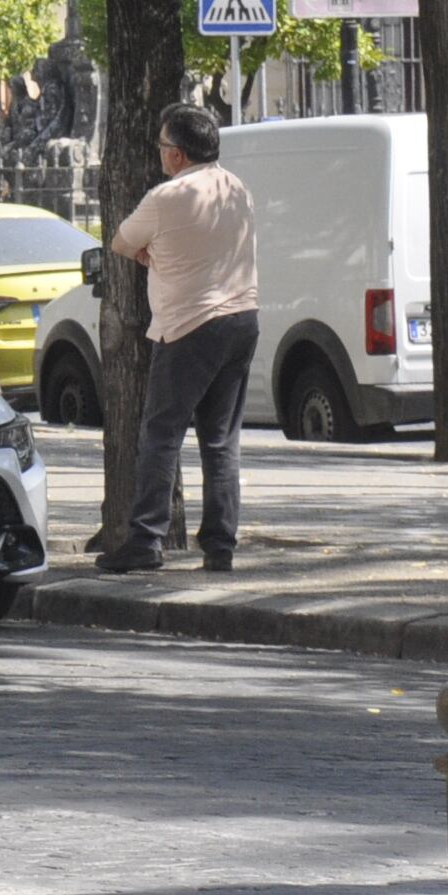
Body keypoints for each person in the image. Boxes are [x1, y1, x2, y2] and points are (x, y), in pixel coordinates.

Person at [96, 102, 259, 575]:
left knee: (162, 433)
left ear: (177, 155)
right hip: (242, 319)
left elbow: (122, 240)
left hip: (189, 324)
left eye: (163, 145)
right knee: (221, 440)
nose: (160, 152)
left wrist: (148, 253)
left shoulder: (166, 197)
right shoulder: (236, 189)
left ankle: (146, 539)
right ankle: (220, 546)